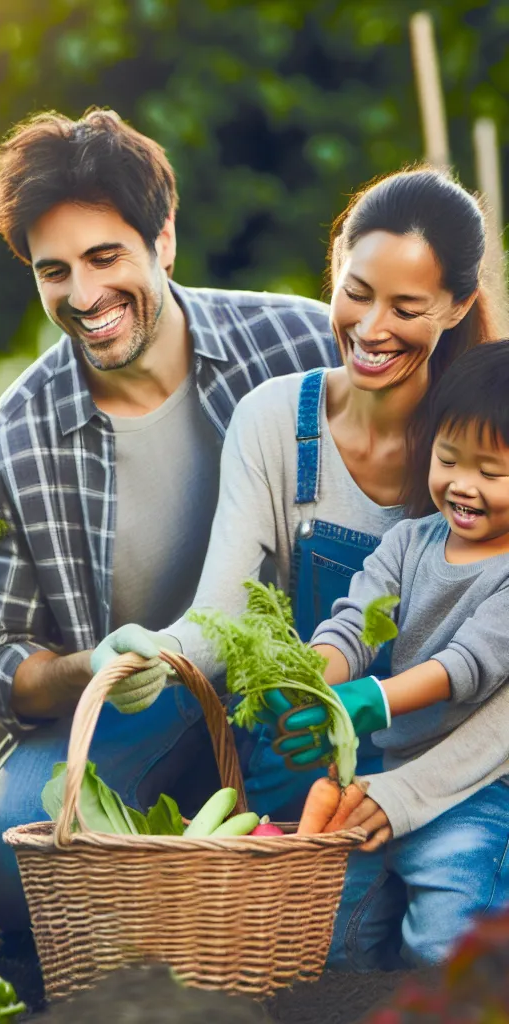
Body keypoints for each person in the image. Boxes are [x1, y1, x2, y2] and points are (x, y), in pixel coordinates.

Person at [92, 166, 503, 965]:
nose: (372, 326)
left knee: (446, 943)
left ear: (455, 307)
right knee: (317, 960)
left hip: (460, 774)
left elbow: (488, 672)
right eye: (357, 291)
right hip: (310, 761)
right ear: (336, 268)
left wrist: (401, 780)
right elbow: (228, 617)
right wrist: (158, 652)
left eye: (407, 308)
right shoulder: (279, 421)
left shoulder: (489, 445)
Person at [0, 108, 342, 934]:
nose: (86, 295)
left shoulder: (298, 344)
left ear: (163, 238)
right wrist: (87, 668)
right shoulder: (6, 447)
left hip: (312, 676)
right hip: (140, 708)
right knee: (7, 854)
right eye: (54, 270)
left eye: (106, 257)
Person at [266, 340, 509, 967]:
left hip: (478, 795)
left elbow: (467, 664)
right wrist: (317, 679)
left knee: (443, 945)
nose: (463, 485)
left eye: (491, 472)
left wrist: (371, 699)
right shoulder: (409, 542)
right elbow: (355, 625)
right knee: (331, 939)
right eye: (449, 459)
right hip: (383, 770)